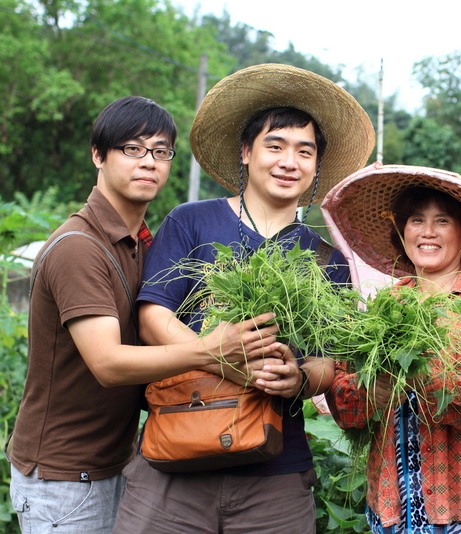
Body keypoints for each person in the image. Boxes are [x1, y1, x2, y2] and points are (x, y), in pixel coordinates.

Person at [112, 64, 375, 533]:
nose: (288, 161)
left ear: (316, 166)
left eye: (304, 151)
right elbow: (153, 316)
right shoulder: (192, 221)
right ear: (246, 153)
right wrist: (222, 357)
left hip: (274, 475)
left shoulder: (325, 257)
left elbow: (327, 365)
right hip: (176, 453)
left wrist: (296, 378)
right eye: (275, 146)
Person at [7, 96, 280, 533]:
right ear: (98, 155)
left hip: (121, 461)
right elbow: (108, 364)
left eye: (160, 151)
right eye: (132, 149)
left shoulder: (143, 244)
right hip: (66, 476)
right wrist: (210, 350)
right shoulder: (80, 246)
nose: (148, 162)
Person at [322, 164, 461, 533]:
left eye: (443, 221)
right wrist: (371, 392)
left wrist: (422, 373)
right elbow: (344, 405)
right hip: (392, 508)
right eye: (416, 220)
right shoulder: (387, 305)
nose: (427, 232)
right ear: (402, 232)